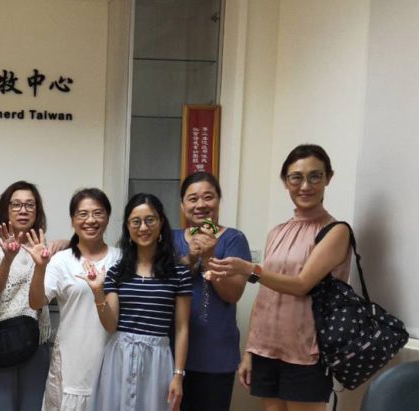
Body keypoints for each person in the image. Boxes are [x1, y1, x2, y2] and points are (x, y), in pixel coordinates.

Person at [207, 144, 352, 411]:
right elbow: (265, 296)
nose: (305, 186)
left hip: (307, 350)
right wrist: (250, 351)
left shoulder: (336, 231)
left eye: (315, 176)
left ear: (328, 178)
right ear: (286, 182)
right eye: (296, 177)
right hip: (267, 348)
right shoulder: (277, 231)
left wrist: (249, 269)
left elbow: (301, 285)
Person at [82, 193, 191, 411]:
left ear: (161, 223)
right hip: (119, 358)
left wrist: (178, 375)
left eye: (150, 220)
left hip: (158, 360)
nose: (143, 227)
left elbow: (182, 328)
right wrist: (97, 293)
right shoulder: (117, 272)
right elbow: (110, 325)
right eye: (136, 222)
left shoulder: (179, 273)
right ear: (128, 227)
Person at [28, 188, 121, 411]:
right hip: (71, 363)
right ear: (72, 220)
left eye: (98, 213)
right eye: (83, 214)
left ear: (108, 217)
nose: (91, 220)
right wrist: (40, 268)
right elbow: (36, 302)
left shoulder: (120, 258)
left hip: (112, 358)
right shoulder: (61, 260)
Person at [0, 181, 65, 411]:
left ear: (37, 211)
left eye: (30, 205)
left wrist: (65, 243)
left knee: (33, 406)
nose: (23, 210)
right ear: (6, 210)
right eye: (16, 205)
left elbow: (78, 250)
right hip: (1, 340)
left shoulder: (42, 246)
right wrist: (8, 259)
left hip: (35, 340)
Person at [172, 172, 251, 411]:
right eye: (193, 198)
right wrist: (190, 259)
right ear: (182, 205)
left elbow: (232, 294)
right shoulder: (170, 239)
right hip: (171, 353)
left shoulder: (234, 239)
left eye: (208, 197)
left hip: (215, 355)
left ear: (218, 200)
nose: (200, 204)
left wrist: (208, 258)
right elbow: (163, 287)